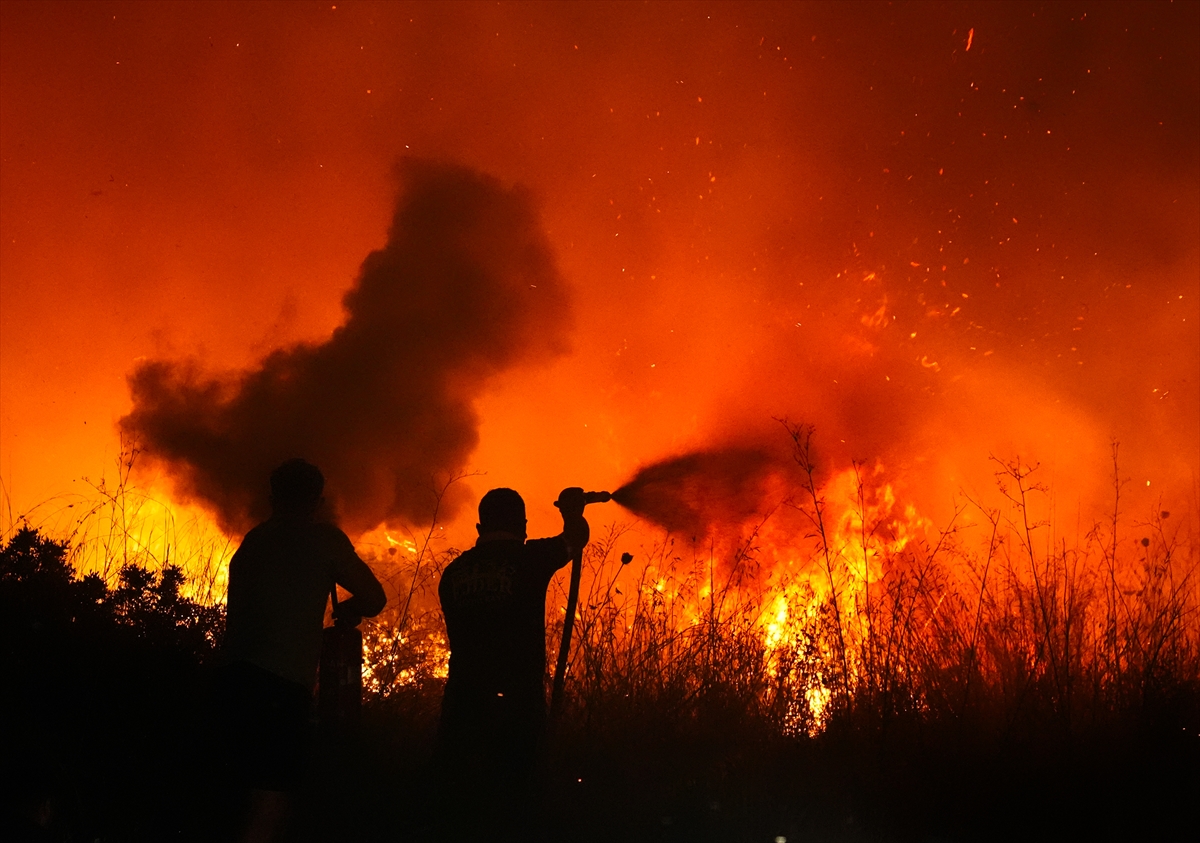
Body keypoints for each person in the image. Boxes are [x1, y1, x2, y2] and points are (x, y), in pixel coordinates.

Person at [214, 458, 387, 843]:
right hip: (281, 687)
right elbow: (375, 597)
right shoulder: (324, 539)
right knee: (271, 799)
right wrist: (349, 610)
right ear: (318, 501)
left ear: (272, 498)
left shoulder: (252, 541)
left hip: (230, 683)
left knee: (233, 797)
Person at [434, 486, 589, 832]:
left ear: (479, 529)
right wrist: (572, 511)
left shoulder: (453, 574)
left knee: (462, 805)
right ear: (523, 526)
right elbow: (575, 538)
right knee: (516, 801)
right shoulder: (531, 557)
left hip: (462, 703)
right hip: (518, 703)